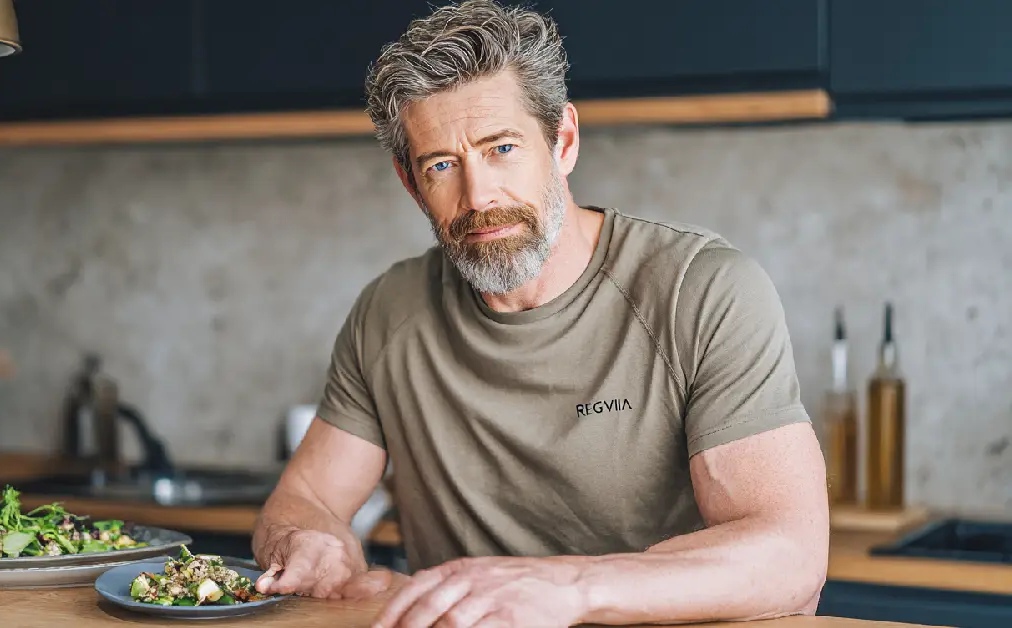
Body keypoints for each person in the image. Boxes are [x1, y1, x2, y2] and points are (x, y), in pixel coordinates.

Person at [251, 1, 829, 626]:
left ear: (564, 141)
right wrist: (307, 541)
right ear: (410, 183)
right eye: (442, 166)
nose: (479, 197)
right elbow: (304, 500)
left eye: (501, 149)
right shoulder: (387, 313)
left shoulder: (703, 291)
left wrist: (569, 588)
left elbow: (790, 558)